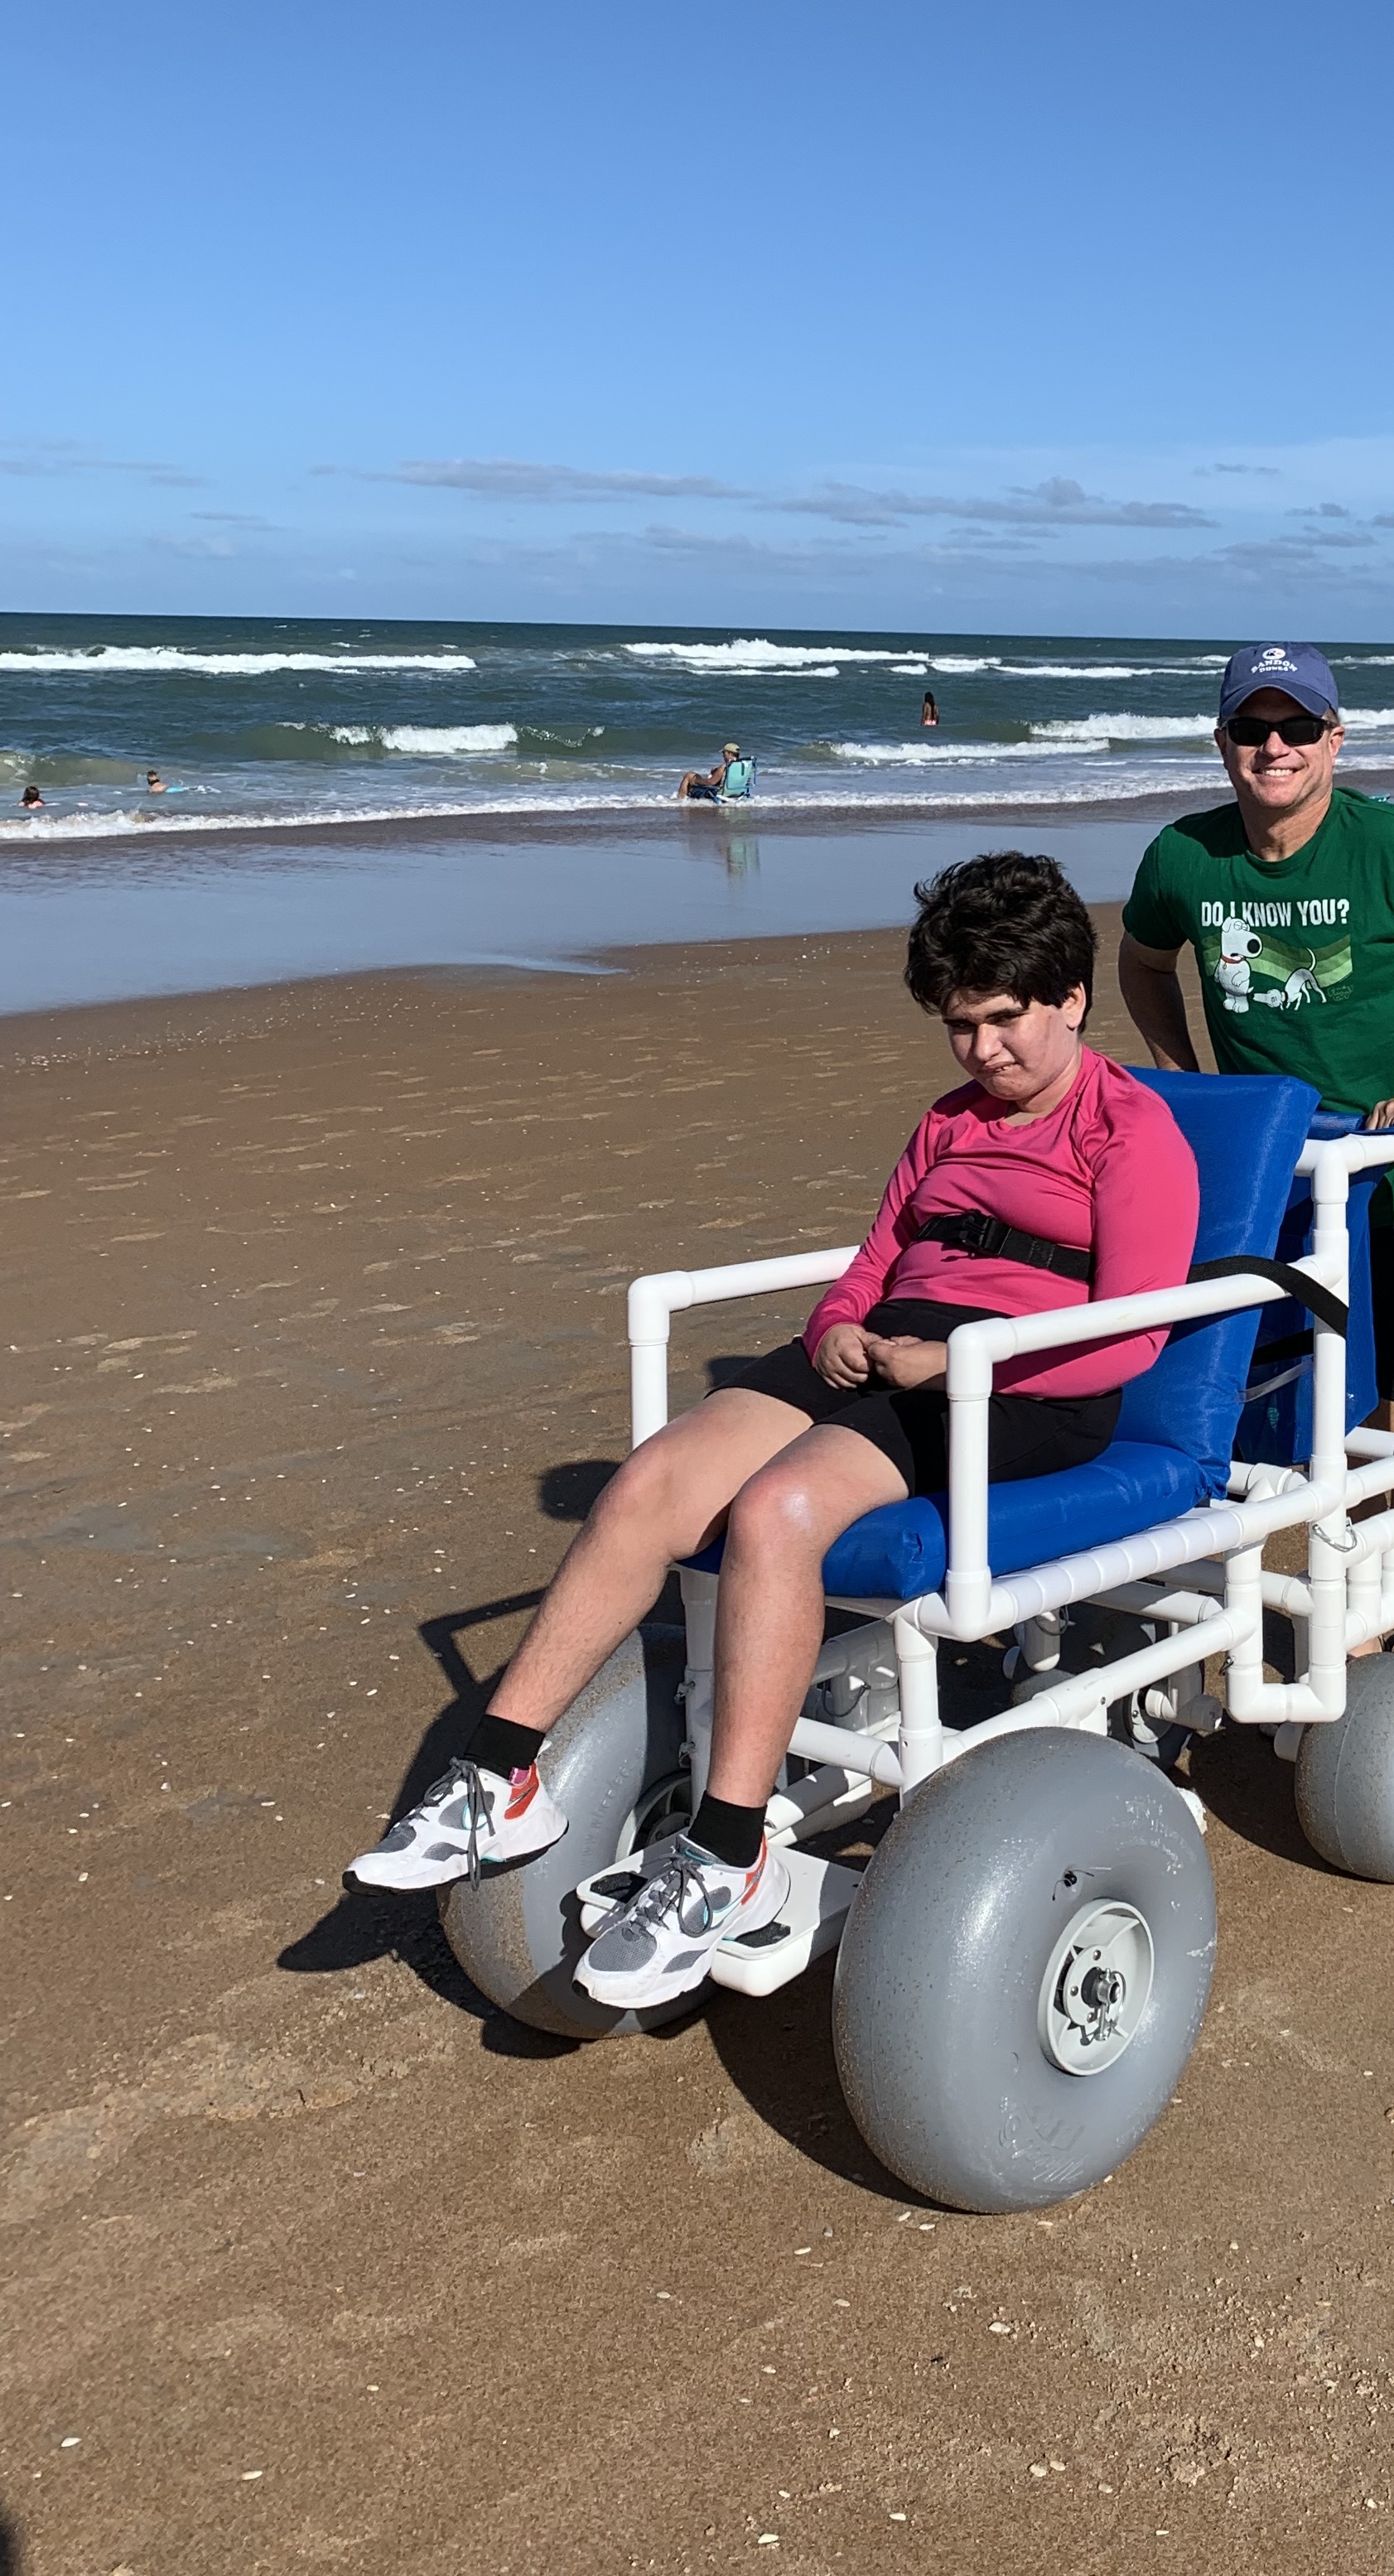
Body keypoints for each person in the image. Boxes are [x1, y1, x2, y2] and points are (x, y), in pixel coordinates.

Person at [348, 853, 1199, 2008]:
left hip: (1021, 1386)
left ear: (1071, 1001)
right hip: (887, 1354)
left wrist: (956, 1360)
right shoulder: (947, 1124)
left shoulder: (1129, 1129)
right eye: (960, 1026)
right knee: (654, 1481)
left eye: (1007, 1021)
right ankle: (498, 1777)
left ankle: (730, 1856)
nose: (985, 1051)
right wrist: (844, 1324)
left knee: (776, 1511)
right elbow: (873, 1261)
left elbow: (1134, 1335)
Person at [1119, 643, 1394, 1652]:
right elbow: (1144, 963)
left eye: (1298, 728)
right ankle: (1357, 1613)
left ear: (1334, 739)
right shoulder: (1185, 856)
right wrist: (1185, 1079)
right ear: (1221, 741)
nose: (1274, 748)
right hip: (1273, 1181)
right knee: (1297, 1416)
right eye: (1252, 728)